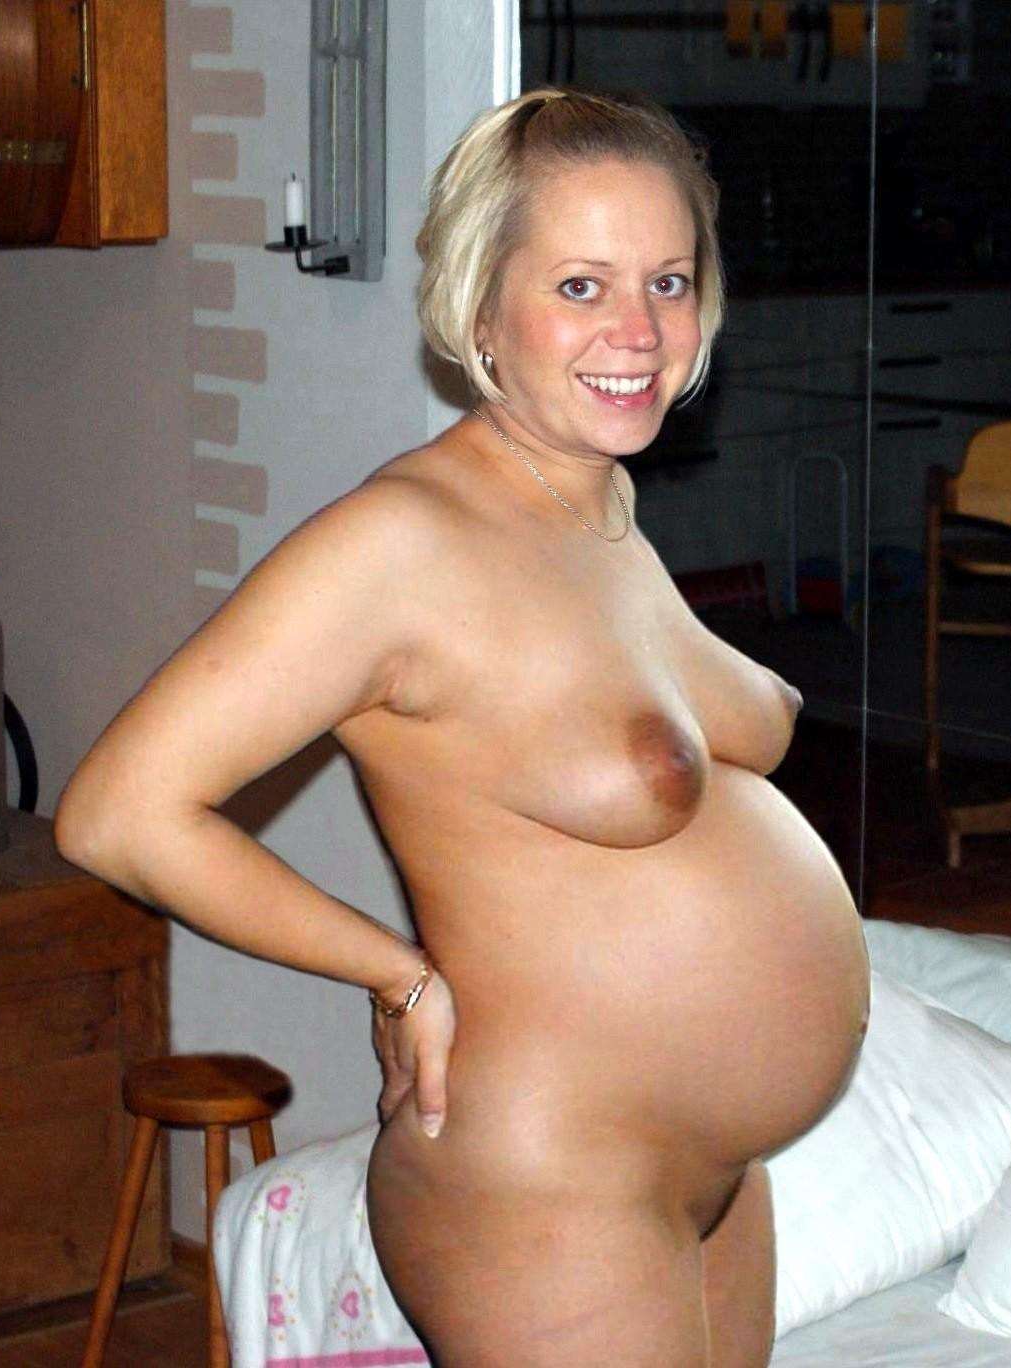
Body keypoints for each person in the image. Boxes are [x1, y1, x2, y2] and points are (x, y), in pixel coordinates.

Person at [55, 87, 869, 1367]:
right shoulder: (402, 544)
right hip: (548, 1185)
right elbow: (120, 813)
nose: (639, 330)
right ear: (482, 310)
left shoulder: (597, 503)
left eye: (667, 281)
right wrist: (396, 971)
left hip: (708, 1168)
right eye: (582, 286)